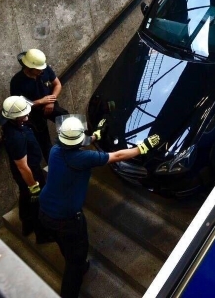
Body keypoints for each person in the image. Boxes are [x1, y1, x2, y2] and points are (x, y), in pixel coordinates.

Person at [38, 116, 161, 298]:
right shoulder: (83, 158)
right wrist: (141, 148)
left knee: (65, 245)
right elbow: (117, 156)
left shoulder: (55, 150)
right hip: (67, 219)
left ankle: (79, 263)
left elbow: (74, 143)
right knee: (75, 263)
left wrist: (95, 136)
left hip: (45, 210)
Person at [0, 96, 53, 243]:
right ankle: (42, 235)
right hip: (30, 173)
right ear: (15, 117)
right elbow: (22, 166)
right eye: (23, 114)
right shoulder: (15, 137)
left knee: (25, 196)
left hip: (28, 170)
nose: (27, 115)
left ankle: (26, 224)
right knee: (36, 202)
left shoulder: (11, 121)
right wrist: (34, 186)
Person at [10, 48, 67, 163]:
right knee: (44, 141)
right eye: (38, 70)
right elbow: (19, 105)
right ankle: (54, 165)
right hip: (33, 113)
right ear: (29, 68)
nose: (42, 71)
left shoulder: (44, 69)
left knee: (67, 118)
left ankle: (75, 147)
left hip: (49, 104)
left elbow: (57, 84)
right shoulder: (17, 81)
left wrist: (51, 101)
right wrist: (41, 102)